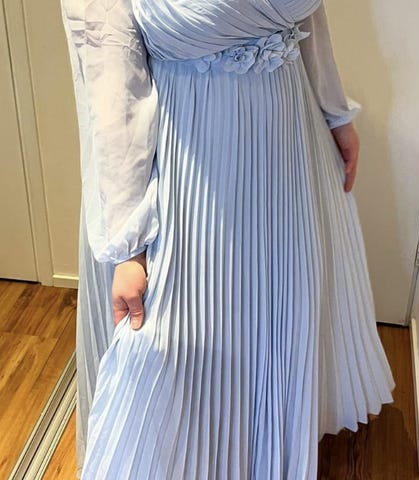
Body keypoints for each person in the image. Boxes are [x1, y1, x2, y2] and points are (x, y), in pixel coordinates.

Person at [61, 0, 396, 478]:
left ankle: (260, 455)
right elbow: (111, 68)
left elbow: (307, 14)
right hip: (185, 163)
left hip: (285, 141)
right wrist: (128, 244)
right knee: (174, 348)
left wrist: (334, 111)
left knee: (273, 317)